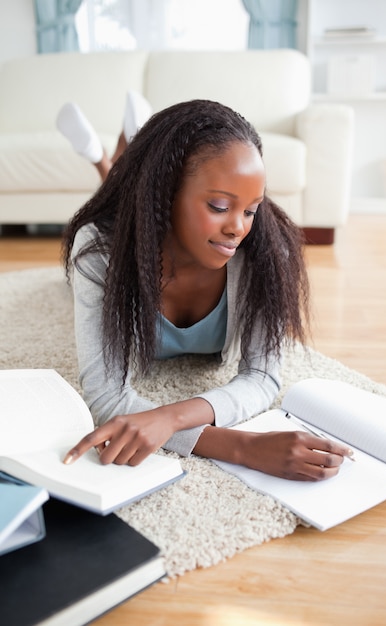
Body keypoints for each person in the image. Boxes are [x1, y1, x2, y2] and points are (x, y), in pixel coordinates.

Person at [61, 98, 353, 481]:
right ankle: (106, 156)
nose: (238, 228)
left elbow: (262, 377)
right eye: (219, 206)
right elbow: (105, 397)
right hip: (134, 234)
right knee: (122, 201)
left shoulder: (263, 251)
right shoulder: (99, 253)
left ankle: (121, 144)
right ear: (166, 195)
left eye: (250, 209)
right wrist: (241, 446)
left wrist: (169, 417)